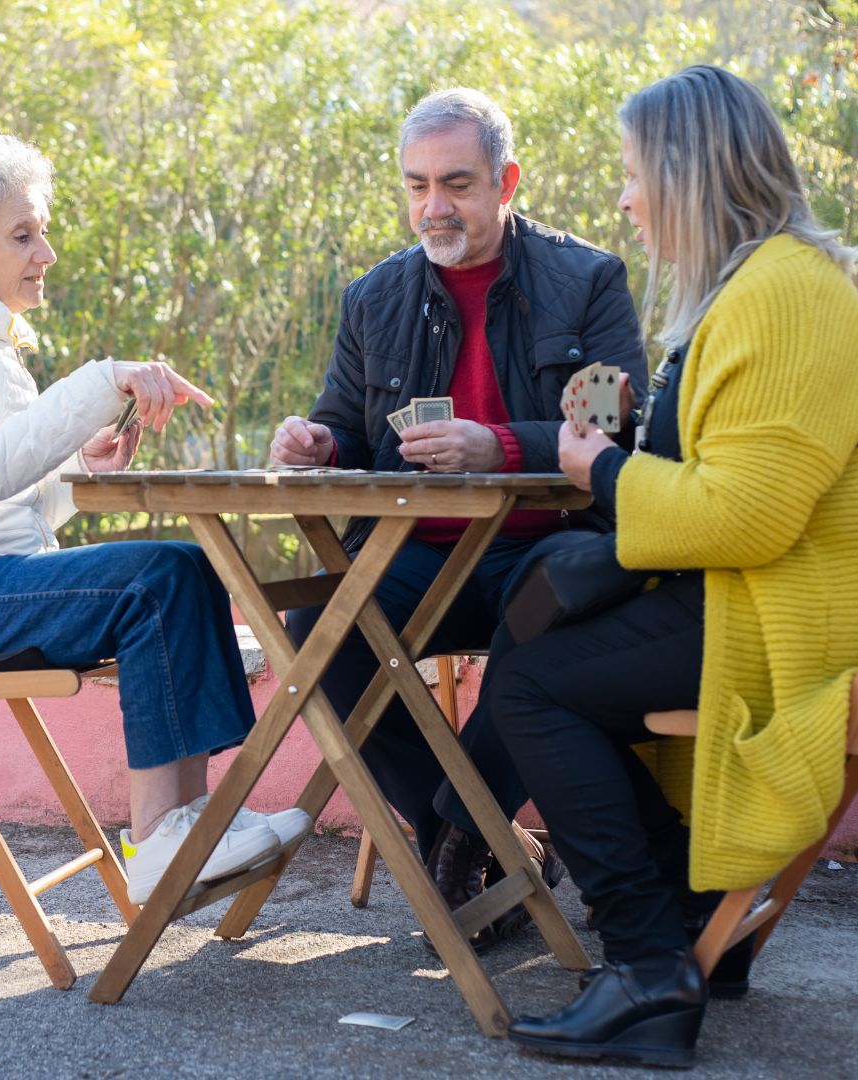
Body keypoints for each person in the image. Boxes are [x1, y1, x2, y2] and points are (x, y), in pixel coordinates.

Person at [435, 66, 858, 1067]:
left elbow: (747, 514)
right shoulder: (762, 286)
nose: (625, 199)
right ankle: (698, 905)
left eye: (635, 174)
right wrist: (623, 446)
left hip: (783, 612)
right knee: (541, 637)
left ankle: (647, 969)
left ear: (692, 172)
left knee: (536, 682)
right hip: (744, 595)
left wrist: (602, 465)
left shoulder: (789, 294)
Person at [0, 133, 310, 906]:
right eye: (22, 235)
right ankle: (161, 835)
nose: (46, 253)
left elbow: (8, 505)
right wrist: (100, 381)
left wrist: (79, 466)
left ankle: (185, 822)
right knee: (158, 578)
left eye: (42, 231)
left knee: (184, 563)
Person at [270, 88, 647, 946]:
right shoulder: (374, 297)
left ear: (507, 180)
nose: (433, 207)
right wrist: (319, 442)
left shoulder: (588, 280)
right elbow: (350, 426)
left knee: (548, 619)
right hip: (416, 551)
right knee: (318, 628)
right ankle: (484, 842)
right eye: (416, 186)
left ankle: (459, 839)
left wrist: (503, 447)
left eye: (458, 184)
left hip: (541, 551)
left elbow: (619, 426)